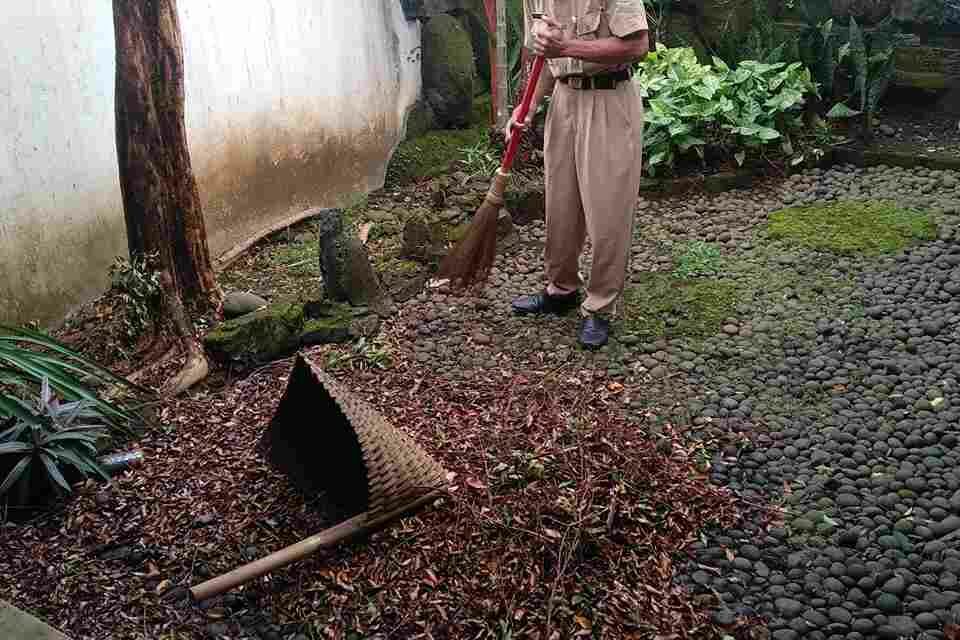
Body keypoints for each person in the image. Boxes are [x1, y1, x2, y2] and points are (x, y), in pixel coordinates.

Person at [507, 0, 649, 348]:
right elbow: (543, 58)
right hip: (564, 100)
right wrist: (527, 107)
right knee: (560, 204)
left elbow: (637, 46)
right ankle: (561, 290)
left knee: (607, 212)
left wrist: (566, 46)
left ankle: (600, 306)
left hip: (609, 97)